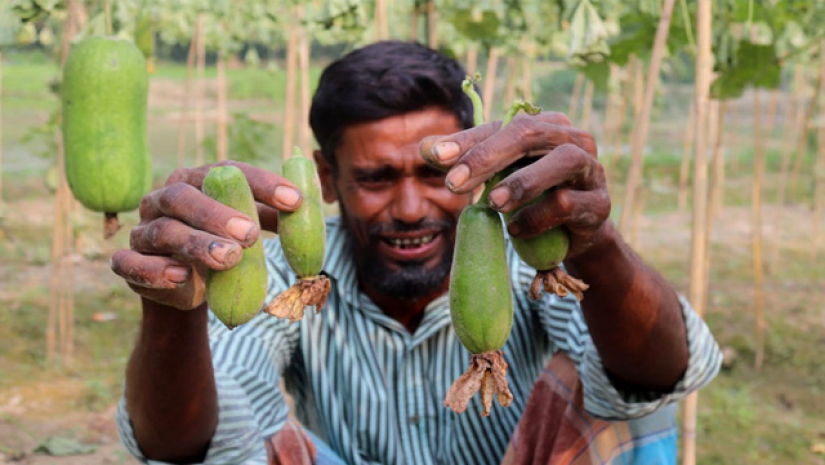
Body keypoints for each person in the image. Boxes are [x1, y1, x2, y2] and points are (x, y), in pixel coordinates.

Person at [111, 41, 722, 465]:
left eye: (436, 177)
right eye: (376, 178)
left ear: (481, 164)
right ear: (325, 178)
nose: (408, 208)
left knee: (616, 392)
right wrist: (173, 308)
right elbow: (183, 448)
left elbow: (658, 378)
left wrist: (595, 246)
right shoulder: (287, 270)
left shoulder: (528, 258)